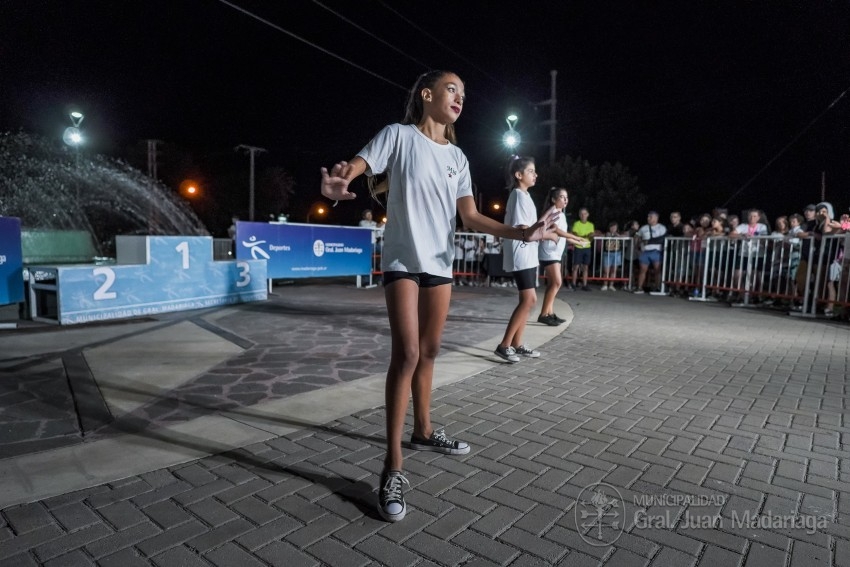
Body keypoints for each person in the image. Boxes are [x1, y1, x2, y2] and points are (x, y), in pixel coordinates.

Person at [319, 70, 558, 523]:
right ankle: (392, 467)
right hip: (403, 262)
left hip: (440, 267)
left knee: (429, 352)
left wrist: (524, 232)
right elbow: (359, 165)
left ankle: (424, 431)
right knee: (407, 353)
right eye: (452, 89)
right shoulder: (398, 136)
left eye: (464, 93)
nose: (460, 98)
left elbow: (471, 217)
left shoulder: (459, 158)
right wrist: (340, 180)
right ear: (426, 94)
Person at [496, 156, 550, 357]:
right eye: (530, 171)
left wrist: (543, 228)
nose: (535, 175)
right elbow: (523, 229)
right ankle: (504, 345)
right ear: (518, 175)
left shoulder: (525, 195)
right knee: (529, 300)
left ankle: (517, 343)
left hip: (528, 253)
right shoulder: (518, 195)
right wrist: (545, 232)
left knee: (528, 300)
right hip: (521, 252)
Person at [536, 187, 589, 325]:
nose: (565, 200)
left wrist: (577, 241)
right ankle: (543, 314)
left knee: (553, 284)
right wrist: (576, 237)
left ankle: (550, 313)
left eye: (566, 197)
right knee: (557, 282)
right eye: (562, 197)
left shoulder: (562, 214)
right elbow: (557, 230)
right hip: (549, 252)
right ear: (554, 199)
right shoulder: (552, 212)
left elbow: (563, 236)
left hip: (556, 252)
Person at [633, 211, 667, 293]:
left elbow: (662, 239)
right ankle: (639, 287)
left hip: (656, 251)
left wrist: (648, 241)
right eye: (648, 217)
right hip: (645, 251)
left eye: (650, 217)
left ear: (656, 218)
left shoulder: (661, 228)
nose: (648, 218)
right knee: (642, 270)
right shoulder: (643, 228)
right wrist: (637, 245)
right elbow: (637, 236)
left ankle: (657, 287)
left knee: (657, 270)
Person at [570, 208, 595, 291]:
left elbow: (591, 236)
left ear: (588, 214)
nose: (583, 215)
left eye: (585, 213)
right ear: (579, 215)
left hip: (587, 247)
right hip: (578, 247)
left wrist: (584, 236)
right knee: (576, 266)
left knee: (585, 267)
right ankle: (573, 284)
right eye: (581, 214)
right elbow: (575, 234)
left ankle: (584, 284)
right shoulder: (576, 224)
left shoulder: (590, 225)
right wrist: (585, 236)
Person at [600, 220, 623, 290]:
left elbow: (626, 236)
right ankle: (605, 285)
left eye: (615, 227)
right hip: (607, 254)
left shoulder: (618, 234)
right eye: (612, 227)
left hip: (616, 254)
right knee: (606, 271)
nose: (613, 229)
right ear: (609, 228)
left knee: (614, 270)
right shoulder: (606, 234)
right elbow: (599, 235)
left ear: (617, 228)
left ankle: (611, 285)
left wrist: (619, 236)